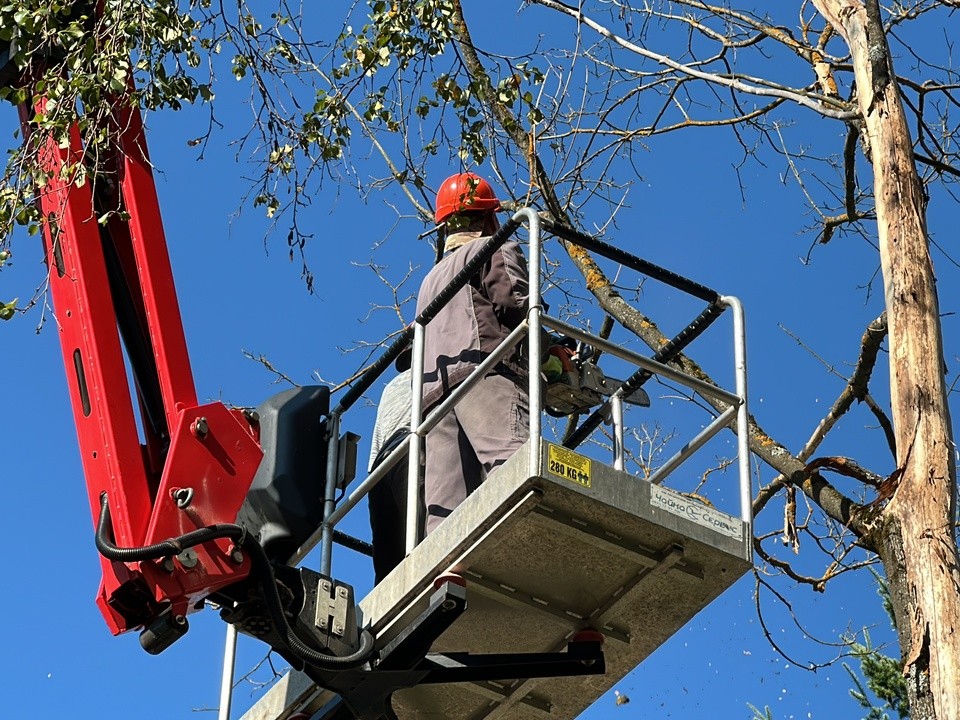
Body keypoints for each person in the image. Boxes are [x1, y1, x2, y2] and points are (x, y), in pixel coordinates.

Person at [415, 172, 531, 534]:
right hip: (484, 374)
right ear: (489, 217)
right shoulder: (492, 247)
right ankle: (528, 539)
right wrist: (547, 350)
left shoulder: (427, 282)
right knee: (512, 464)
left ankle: (447, 579)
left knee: (445, 512)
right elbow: (515, 302)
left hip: (432, 402)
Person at [367, 347, 416, 584]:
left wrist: (372, 479)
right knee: (421, 528)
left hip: (381, 465)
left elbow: (377, 437)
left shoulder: (390, 387)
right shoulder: (430, 370)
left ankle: (386, 606)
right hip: (412, 444)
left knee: (388, 553)